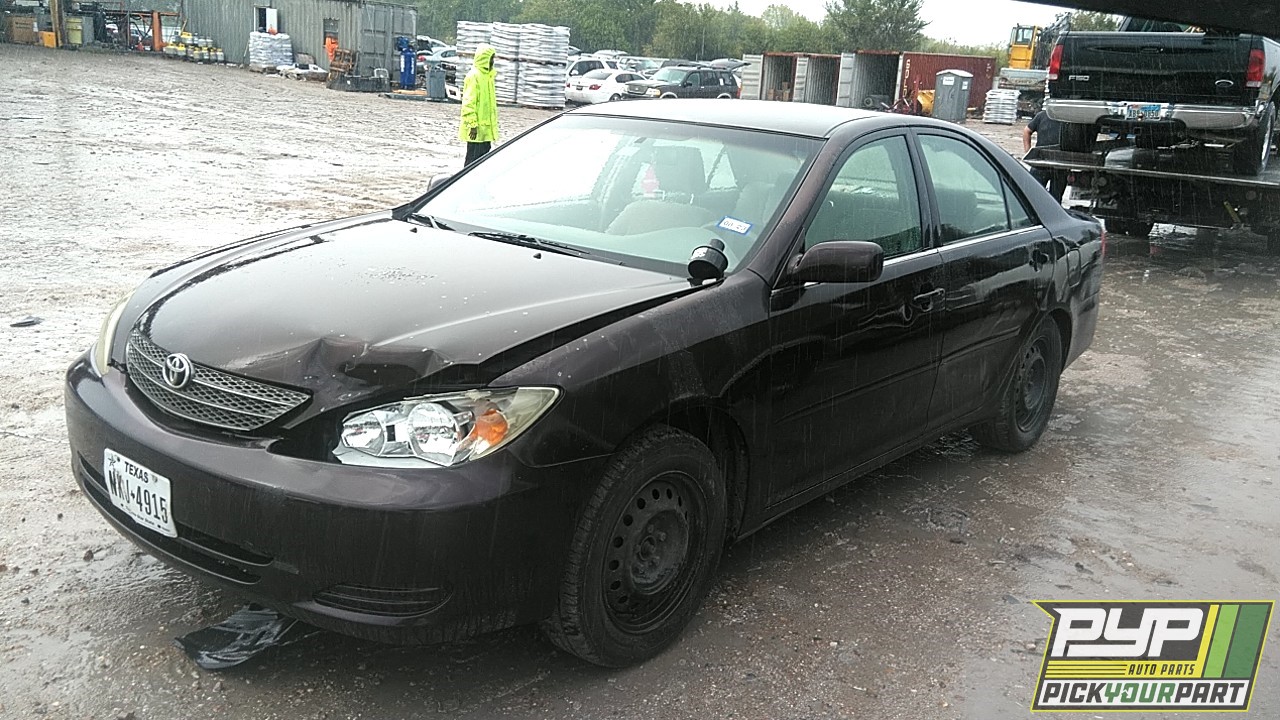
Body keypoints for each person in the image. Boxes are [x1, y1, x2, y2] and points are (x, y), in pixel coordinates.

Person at [459, 45, 498, 166]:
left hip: (485, 131)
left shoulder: (488, 77)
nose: (492, 61)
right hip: (476, 131)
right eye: (491, 58)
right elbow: (468, 104)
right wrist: (473, 125)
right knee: (472, 162)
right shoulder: (474, 76)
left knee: (483, 162)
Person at [1023, 109, 1066, 203]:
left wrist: (1028, 152)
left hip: (1054, 164)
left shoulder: (1044, 115)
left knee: (1034, 198)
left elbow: (1027, 131)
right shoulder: (1043, 116)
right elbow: (1027, 131)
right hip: (1050, 163)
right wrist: (1028, 152)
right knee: (1035, 198)